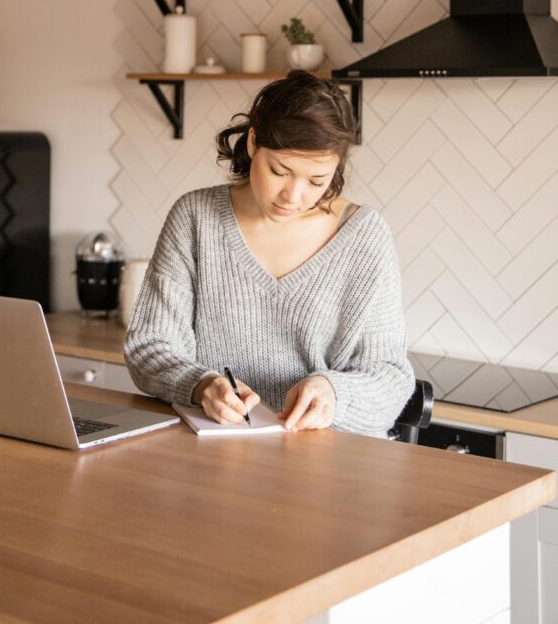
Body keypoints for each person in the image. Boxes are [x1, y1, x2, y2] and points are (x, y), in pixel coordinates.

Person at [124, 70, 414, 437]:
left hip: (326, 463)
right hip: (213, 457)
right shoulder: (195, 218)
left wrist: (335, 391)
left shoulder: (364, 236)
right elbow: (149, 347)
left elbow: (391, 375)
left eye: (316, 181)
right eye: (279, 171)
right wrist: (200, 385)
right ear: (252, 143)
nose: (293, 196)